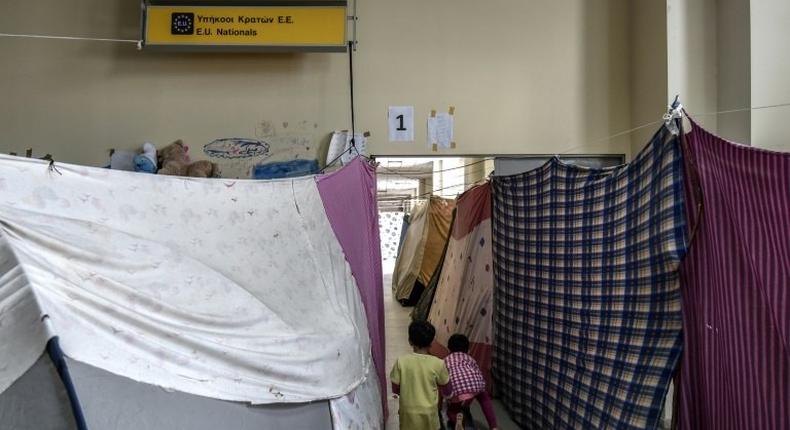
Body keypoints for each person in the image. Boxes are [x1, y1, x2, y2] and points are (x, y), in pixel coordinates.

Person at [390, 321, 450, 430]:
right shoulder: (438, 363)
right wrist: (448, 396)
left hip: (407, 411)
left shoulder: (401, 361)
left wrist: (406, 391)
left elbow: (395, 388)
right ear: (431, 342)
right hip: (429, 411)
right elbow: (447, 389)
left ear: (410, 341)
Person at [444, 333, 498, 430]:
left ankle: (458, 421)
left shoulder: (446, 360)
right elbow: (477, 372)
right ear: (468, 350)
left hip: (458, 389)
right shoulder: (470, 358)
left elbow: (444, 379)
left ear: (449, 349)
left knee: (452, 410)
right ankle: (493, 426)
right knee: (484, 399)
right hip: (475, 385)